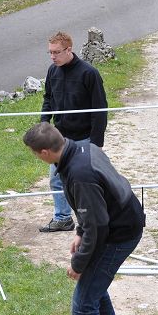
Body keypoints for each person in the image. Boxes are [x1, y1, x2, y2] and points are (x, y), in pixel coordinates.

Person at [23, 122, 145, 315]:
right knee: (94, 289)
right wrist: (80, 231)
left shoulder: (79, 173)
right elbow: (93, 207)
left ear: (44, 152)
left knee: (83, 305)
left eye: (35, 154)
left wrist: (78, 264)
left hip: (119, 233)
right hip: (118, 223)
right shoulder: (82, 148)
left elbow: (99, 226)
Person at [39, 31, 108, 233]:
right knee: (56, 179)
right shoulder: (52, 71)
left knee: (85, 181)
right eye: (50, 52)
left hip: (84, 137)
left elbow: (100, 109)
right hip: (59, 139)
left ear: (69, 49)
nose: (52, 57)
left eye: (56, 52)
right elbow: (48, 98)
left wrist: (96, 142)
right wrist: (44, 124)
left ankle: (92, 219)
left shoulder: (89, 73)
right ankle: (62, 218)